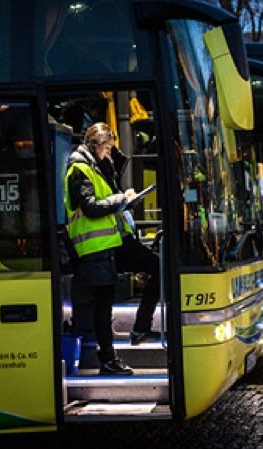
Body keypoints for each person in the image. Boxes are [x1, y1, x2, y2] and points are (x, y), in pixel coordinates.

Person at [65, 123, 159, 375]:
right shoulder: (79, 169)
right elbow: (91, 207)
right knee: (102, 306)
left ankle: (114, 352)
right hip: (95, 247)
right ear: (95, 145)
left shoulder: (96, 166)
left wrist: (124, 197)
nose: (108, 153)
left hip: (110, 243)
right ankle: (107, 359)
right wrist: (121, 199)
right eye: (106, 148)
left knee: (104, 303)